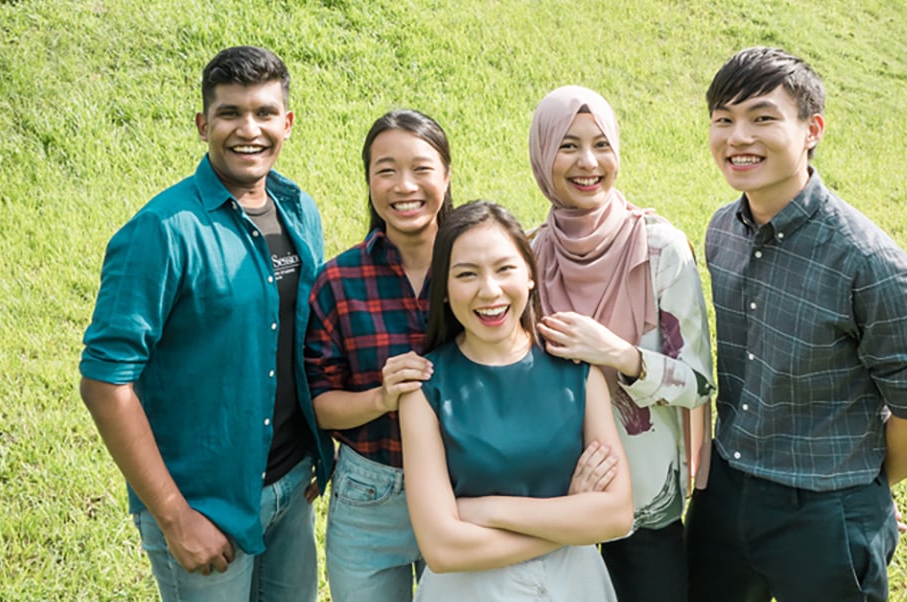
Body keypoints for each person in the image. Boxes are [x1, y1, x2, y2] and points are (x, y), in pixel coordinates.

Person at [689, 46, 907, 602]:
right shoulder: (722, 231)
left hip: (827, 514)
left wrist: (857, 495)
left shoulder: (870, 263)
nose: (738, 138)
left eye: (762, 118)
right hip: (726, 489)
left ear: (812, 130)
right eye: (723, 120)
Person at [78, 45, 332, 602]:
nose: (249, 129)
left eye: (265, 113)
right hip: (203, 505)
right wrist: (173, 516)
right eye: (230, 113)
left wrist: (317, 449)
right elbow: (104, 383)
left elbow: (300, 340)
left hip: (292, 486)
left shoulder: (299, 210)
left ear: (287, 123)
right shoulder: (162, 230)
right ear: (203, 124)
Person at [528, 85, 717, 602]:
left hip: (645, 499)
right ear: (543, 155)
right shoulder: (528, 256)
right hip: (558, 494)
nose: (588, 162)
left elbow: (699, 384)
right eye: (568, 145)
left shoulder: (660, 248)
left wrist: (620, 354)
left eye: (601, 144)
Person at [399, 200, 634, 601]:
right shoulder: (424, 388)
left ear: (529, 273)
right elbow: (442, 549)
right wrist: (570, 517)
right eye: (467, 274)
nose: (489, 290)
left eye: (504, 268)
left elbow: (616, 515)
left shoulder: (578, 372)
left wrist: (486, 510)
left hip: (573, 586)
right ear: (443, 289)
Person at [303, 109, 453, 602]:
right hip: (371, 494)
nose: (405, 185)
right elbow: (321, 405)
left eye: (422, 168)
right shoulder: (338, 282)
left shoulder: (479, 270)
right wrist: (382, 397)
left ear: (447, 175)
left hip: (465, 486)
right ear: (368, 180)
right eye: (386, 170)